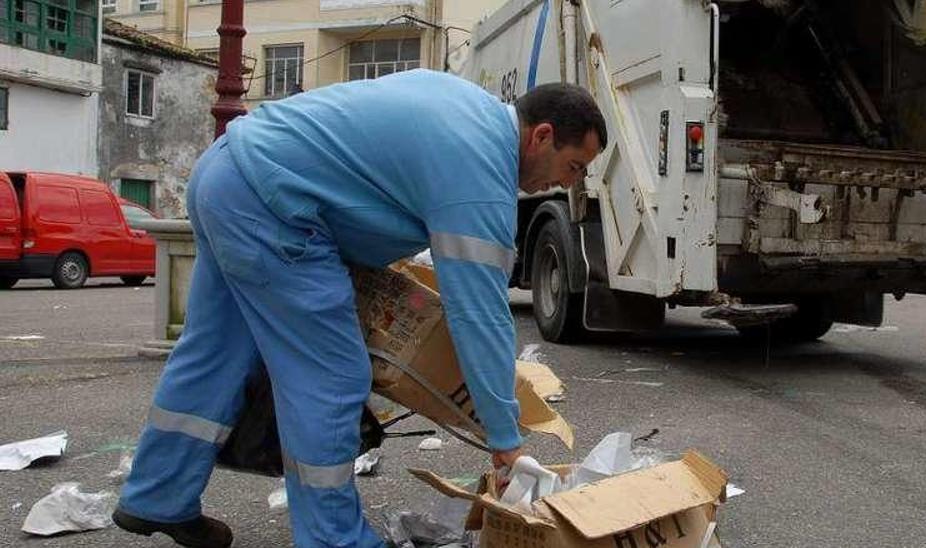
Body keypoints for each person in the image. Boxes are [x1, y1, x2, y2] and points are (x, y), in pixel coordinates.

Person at [112, 71, 606, 547]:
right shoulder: (481, 168)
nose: (566, 184)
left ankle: (157, 495)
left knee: (217, 349)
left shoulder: (467, 108)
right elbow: (479, 314)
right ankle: (334, 538)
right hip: (276, 206)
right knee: (331, 375)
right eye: (574, 167)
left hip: (226, 173)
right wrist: (505, 441)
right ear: (541, 136)